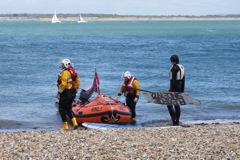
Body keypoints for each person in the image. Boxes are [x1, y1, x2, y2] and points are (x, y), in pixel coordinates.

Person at [56, 58, 80, 130]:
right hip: (73, 92)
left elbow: (63, 84)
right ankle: (75, 123)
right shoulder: (73, 71)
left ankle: (65, 126)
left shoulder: (65, 72)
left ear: (65, 65)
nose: (62, 66)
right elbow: (78, 81)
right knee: (69, 108)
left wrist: (59, 92)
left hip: (66, 92)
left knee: (61, 109)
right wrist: (75, 89)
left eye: (62, 64)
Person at [167, 54, 185, 126]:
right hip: (180, 87)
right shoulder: (182, 67)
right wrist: (182, 90)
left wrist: (170, 90)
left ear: (173, 61)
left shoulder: (174, 68)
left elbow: (173, 80)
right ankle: (177, 121)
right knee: (177, 105)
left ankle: (174, 120)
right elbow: (183, 79)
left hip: (174, 87)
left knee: (169, 104)